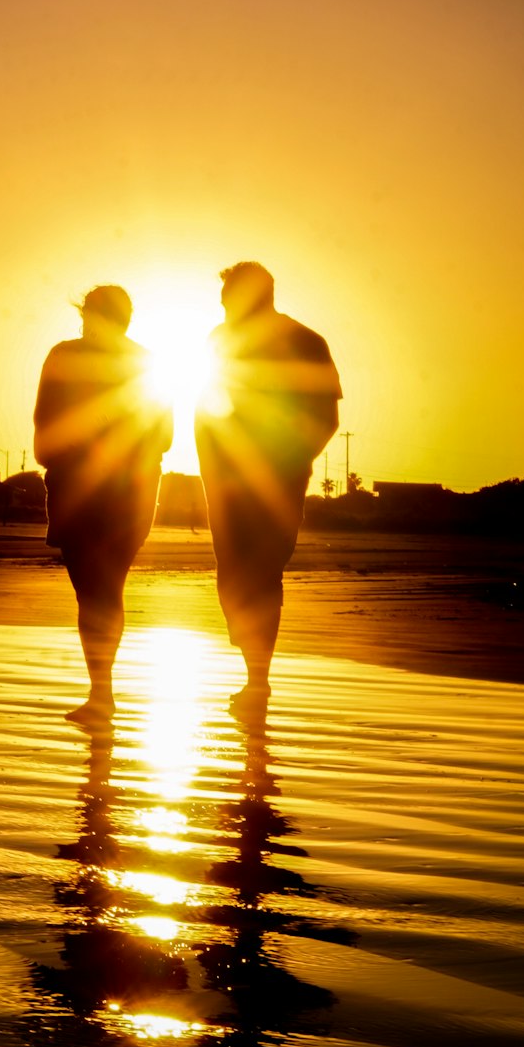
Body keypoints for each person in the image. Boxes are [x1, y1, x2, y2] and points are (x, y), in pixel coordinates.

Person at [195, 263, 341, 718]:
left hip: (277, 485)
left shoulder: (306, 342)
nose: (221, 305)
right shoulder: (219, 340)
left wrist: (289, 463)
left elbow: (326, 418)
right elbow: (207, 402)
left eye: (228, 296)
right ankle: (253, 671)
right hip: (225, 485)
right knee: (232, 581)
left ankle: (258, 680)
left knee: (262, 577)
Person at [34, 285, 173, 724]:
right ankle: (101, 693)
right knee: (98, 591)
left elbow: (163, 436)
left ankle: (102, 694)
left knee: (100, 591)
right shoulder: (135, 362)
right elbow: (44, 432)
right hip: (103, 492)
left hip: (112, 493)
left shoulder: (75, 357)